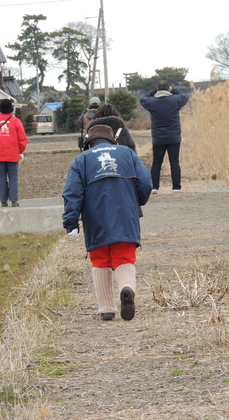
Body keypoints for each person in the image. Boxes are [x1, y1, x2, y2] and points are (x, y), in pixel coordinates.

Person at [62, 124, 153, 321]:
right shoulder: (127, 153)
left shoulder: (82, 160)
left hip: (96, 219)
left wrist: (71, 222)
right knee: (124, 257)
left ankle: (106, 309)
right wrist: (137, 201)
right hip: (125, 216)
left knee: (101, 259)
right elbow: (145, 182)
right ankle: (126, 288)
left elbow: (72, 194)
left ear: (89, 143)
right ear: (113, 141)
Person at [140, 80, 189, 193]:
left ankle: (154, 187)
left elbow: (143, 99)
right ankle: (176, 188)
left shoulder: (152, 102)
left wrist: (153, 92)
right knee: (174, 162)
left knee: (156, 163)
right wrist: (174, 90)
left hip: (158, 138)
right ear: (168, 89)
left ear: (157, 89)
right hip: (174, 137)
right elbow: (185, 96)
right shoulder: (175, 100)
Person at [0, 99, 28, 207]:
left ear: (0, 108)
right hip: (12, 154)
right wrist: (20, 151)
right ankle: (14, 200)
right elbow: (22, 139)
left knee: (2, 178)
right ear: (11, 109)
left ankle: (3, 201)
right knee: (13, 177)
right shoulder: (16, 121)